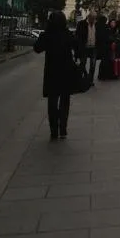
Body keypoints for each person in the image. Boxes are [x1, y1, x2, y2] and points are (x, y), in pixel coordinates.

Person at [34, 10, 78, 140]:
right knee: (65, 100)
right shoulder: (67, 34)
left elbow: (37, 48)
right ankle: (63, 128)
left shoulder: (47, 35)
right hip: (66, 71)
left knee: (52, 102)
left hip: (52, 72)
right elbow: (77, 46)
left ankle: (53, 130)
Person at [75, 11, 102, 86]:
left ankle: (90, 81)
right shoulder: (81, 24)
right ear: (89, 17)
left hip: (94, 47)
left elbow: (98, 35)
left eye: (95, 18)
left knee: (92, 65)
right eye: (92, 18)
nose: (93, 20)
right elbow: (78, 36)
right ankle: (80, 79)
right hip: (84, 47)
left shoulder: (96, 25)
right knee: (82, 64)